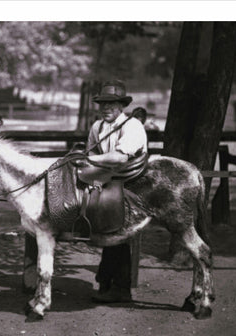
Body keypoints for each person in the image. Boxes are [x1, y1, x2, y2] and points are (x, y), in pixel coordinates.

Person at [86, 80, 147, 303]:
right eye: (102, 103)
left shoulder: (132, 126)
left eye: (111, 103)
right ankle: (107, 281)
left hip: (132, 181)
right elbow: (89, 153)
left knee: (116, 225)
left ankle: (118, 286)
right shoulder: (97, 127)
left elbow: (120, 157)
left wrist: (89, 160)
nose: (106, 108)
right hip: (107, 179)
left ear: (121, 105)